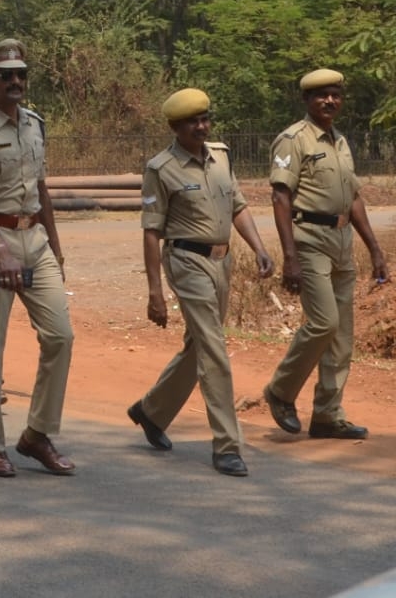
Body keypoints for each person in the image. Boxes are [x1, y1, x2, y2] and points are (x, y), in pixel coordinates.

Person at [130, 88, 275, 476]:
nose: (201, 126)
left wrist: (259, 248)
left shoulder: (221, 156)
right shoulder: (161, 169)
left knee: (199, 344)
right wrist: (155, 290)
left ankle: (151, 410)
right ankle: (226, 445)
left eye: (205, 119)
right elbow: (150, 232)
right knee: (214, 349)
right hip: (186, 261)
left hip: (221, 260)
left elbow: (239, 205)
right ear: (175, 127)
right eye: (193, 121)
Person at [0, 38, 75, 478]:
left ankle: (37, 434)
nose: (16, 82)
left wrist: (56, 248)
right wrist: (0, 250)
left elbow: (41, 189)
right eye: (6, 75)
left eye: (21, 74)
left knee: (60, 336)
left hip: (35, 240)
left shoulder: (34, 126)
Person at [263, 69, 389, 441]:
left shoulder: (342, 142)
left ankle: (327, 415)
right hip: (308, 239)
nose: (330, 101)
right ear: (306, 100)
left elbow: (354, 198)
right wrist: (289, 257)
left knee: (342, 334)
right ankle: (281, 392)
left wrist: (376, 249)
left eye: (335, 95)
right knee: (323, 323)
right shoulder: (293, 140)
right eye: (321, 96)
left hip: (341, 240)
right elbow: (280, 197)